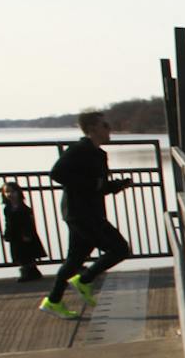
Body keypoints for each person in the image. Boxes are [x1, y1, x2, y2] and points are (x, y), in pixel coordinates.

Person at [38, 110, 133, 319]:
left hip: (86, 212)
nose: (109, 129)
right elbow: (57, 174)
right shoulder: (79, 150)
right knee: (119, 248)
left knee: (74, 260)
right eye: (105, 126)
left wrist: (117, 185)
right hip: (81, 213)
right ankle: (85, 280)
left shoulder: (99, 154)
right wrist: (92, 184)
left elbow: (98, 186)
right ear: (92, 129)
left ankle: (53, 301)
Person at [0, 180, 46, 282]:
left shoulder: (24, 209)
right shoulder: (7, 209)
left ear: (19, 193)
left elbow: (29, 223)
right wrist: (7, 234)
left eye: (13, 192)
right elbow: (8, 223)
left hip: (25, 234)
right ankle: (31, 271)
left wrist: (28, 234)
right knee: (19, 254)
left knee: (27, 254)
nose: (10, 194)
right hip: (15, 235)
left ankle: (28, 272)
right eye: (7, 192)